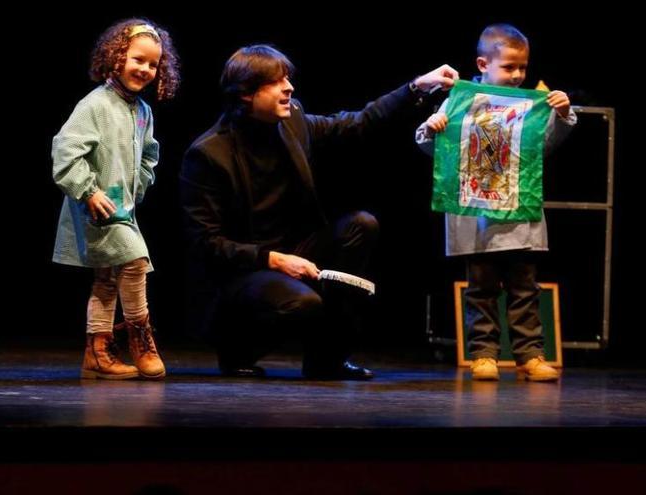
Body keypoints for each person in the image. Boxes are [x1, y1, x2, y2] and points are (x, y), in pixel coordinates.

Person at [181, 44, 456, 380]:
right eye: (275, 82)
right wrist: (275, 259)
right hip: (241, 272)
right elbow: (206, 244)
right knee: (303, 303)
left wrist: (418, 86)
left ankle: (326, 360)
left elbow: (360, 122)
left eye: (287, 79)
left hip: (295, 251)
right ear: (245, 95)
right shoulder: (208, 154)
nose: (289, 87)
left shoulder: (293, 122)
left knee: (361, 225)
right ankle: (238, 350)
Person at [416, 24, 576, 381]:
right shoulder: (459, 100)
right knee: (481, 289)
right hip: (477, 217)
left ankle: (530, 356)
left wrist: (562, 114)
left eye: (523, 67)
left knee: (524, 288)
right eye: (509, 67)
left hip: (519, 212)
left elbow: (544, 146)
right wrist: (434, 127)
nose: (518, 75)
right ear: (483, 63)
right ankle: (483, 354)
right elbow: (434, 150)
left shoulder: (530, 104)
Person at [52, 18, 179, 380]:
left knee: (107, 278)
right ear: (117, 57)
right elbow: (65, 150)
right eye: (138, 59)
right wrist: (88, 190)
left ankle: (97, 352)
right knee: (136, 263)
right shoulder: (96, 104)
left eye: (153, 64)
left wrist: (139, 184)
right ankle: (140, 338)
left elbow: (149, 154)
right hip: (98, 208)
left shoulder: (142, 111)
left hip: (123, 207)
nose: (146, 69)